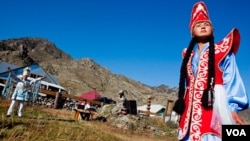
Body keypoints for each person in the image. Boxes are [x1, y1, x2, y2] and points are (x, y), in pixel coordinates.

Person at [172, 1, 249, 141]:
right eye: (198, 25)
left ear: (212, 30)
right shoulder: (188, 57)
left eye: (206, 24)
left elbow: (232, 79)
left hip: (214, 108)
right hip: (189, 113)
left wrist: (233, 108)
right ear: (192, 32)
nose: (202, 26)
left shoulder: (223, 52)